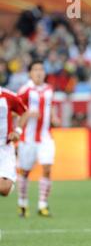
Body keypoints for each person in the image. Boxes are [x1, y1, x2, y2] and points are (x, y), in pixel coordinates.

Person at [16, 60, 60, 218]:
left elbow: (50, 106)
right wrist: (27, 114)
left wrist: (54, 117)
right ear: (30, 73)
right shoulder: (25, 90)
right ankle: (22, 203)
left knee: (47, 168)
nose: (39, 72)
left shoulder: (49, 89)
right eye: (35, 70)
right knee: (25, 171)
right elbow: (15, 110)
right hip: (28, 138)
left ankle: (42, 205)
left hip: (46, 137)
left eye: (41, 69)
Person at [0, 87, 27, 197]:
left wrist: (18, 131)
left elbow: (24, 112)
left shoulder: (8, 96)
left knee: (5, 189)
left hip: (4, 147)